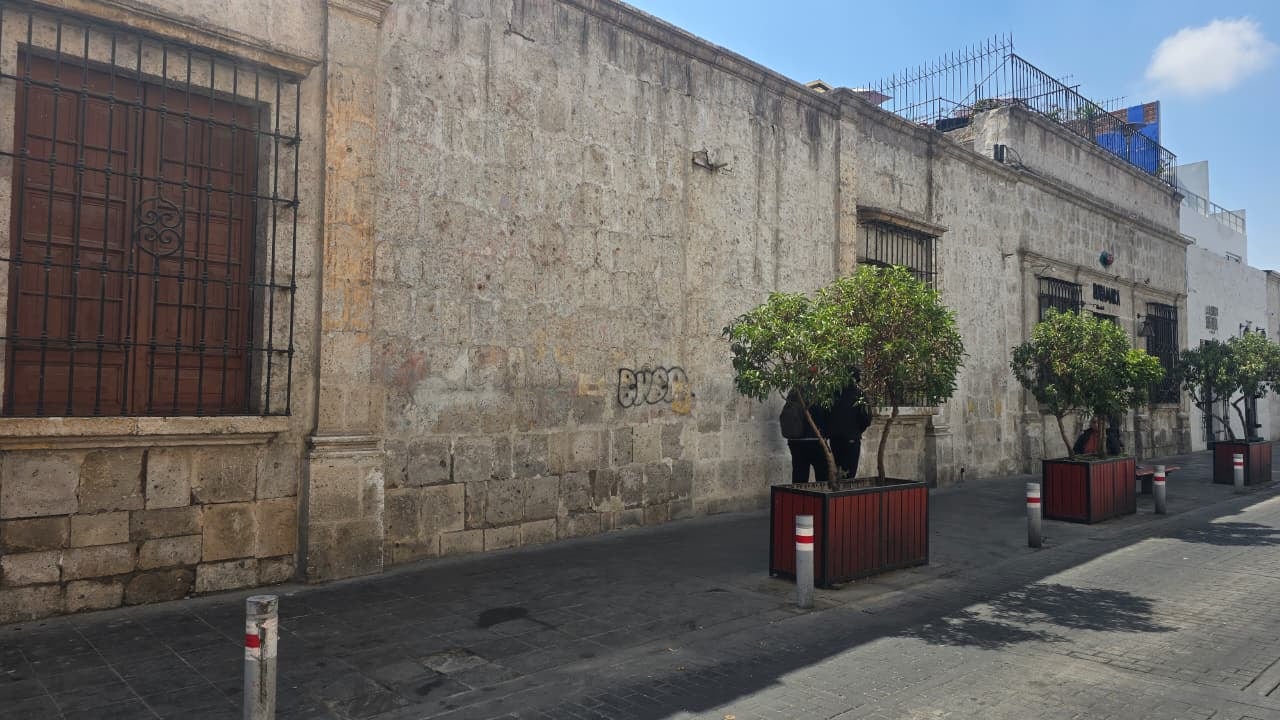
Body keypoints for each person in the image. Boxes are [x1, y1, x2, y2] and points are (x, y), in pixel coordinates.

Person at [822, 379, 873, 479]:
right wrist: (857, 431)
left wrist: (830, 432)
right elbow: (866, 418)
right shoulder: (859, 394)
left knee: (838, 472)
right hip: (851, 439)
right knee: (849, 475)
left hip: (835, 439)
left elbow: (825, 415)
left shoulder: (832, 392)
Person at [780, 390, 830, 483]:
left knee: (799, 478)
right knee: (823, 480)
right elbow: (825, 416)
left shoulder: (794, 391)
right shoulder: (820, 390)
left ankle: (797, 493)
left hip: (796, 442)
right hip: (816, 441)